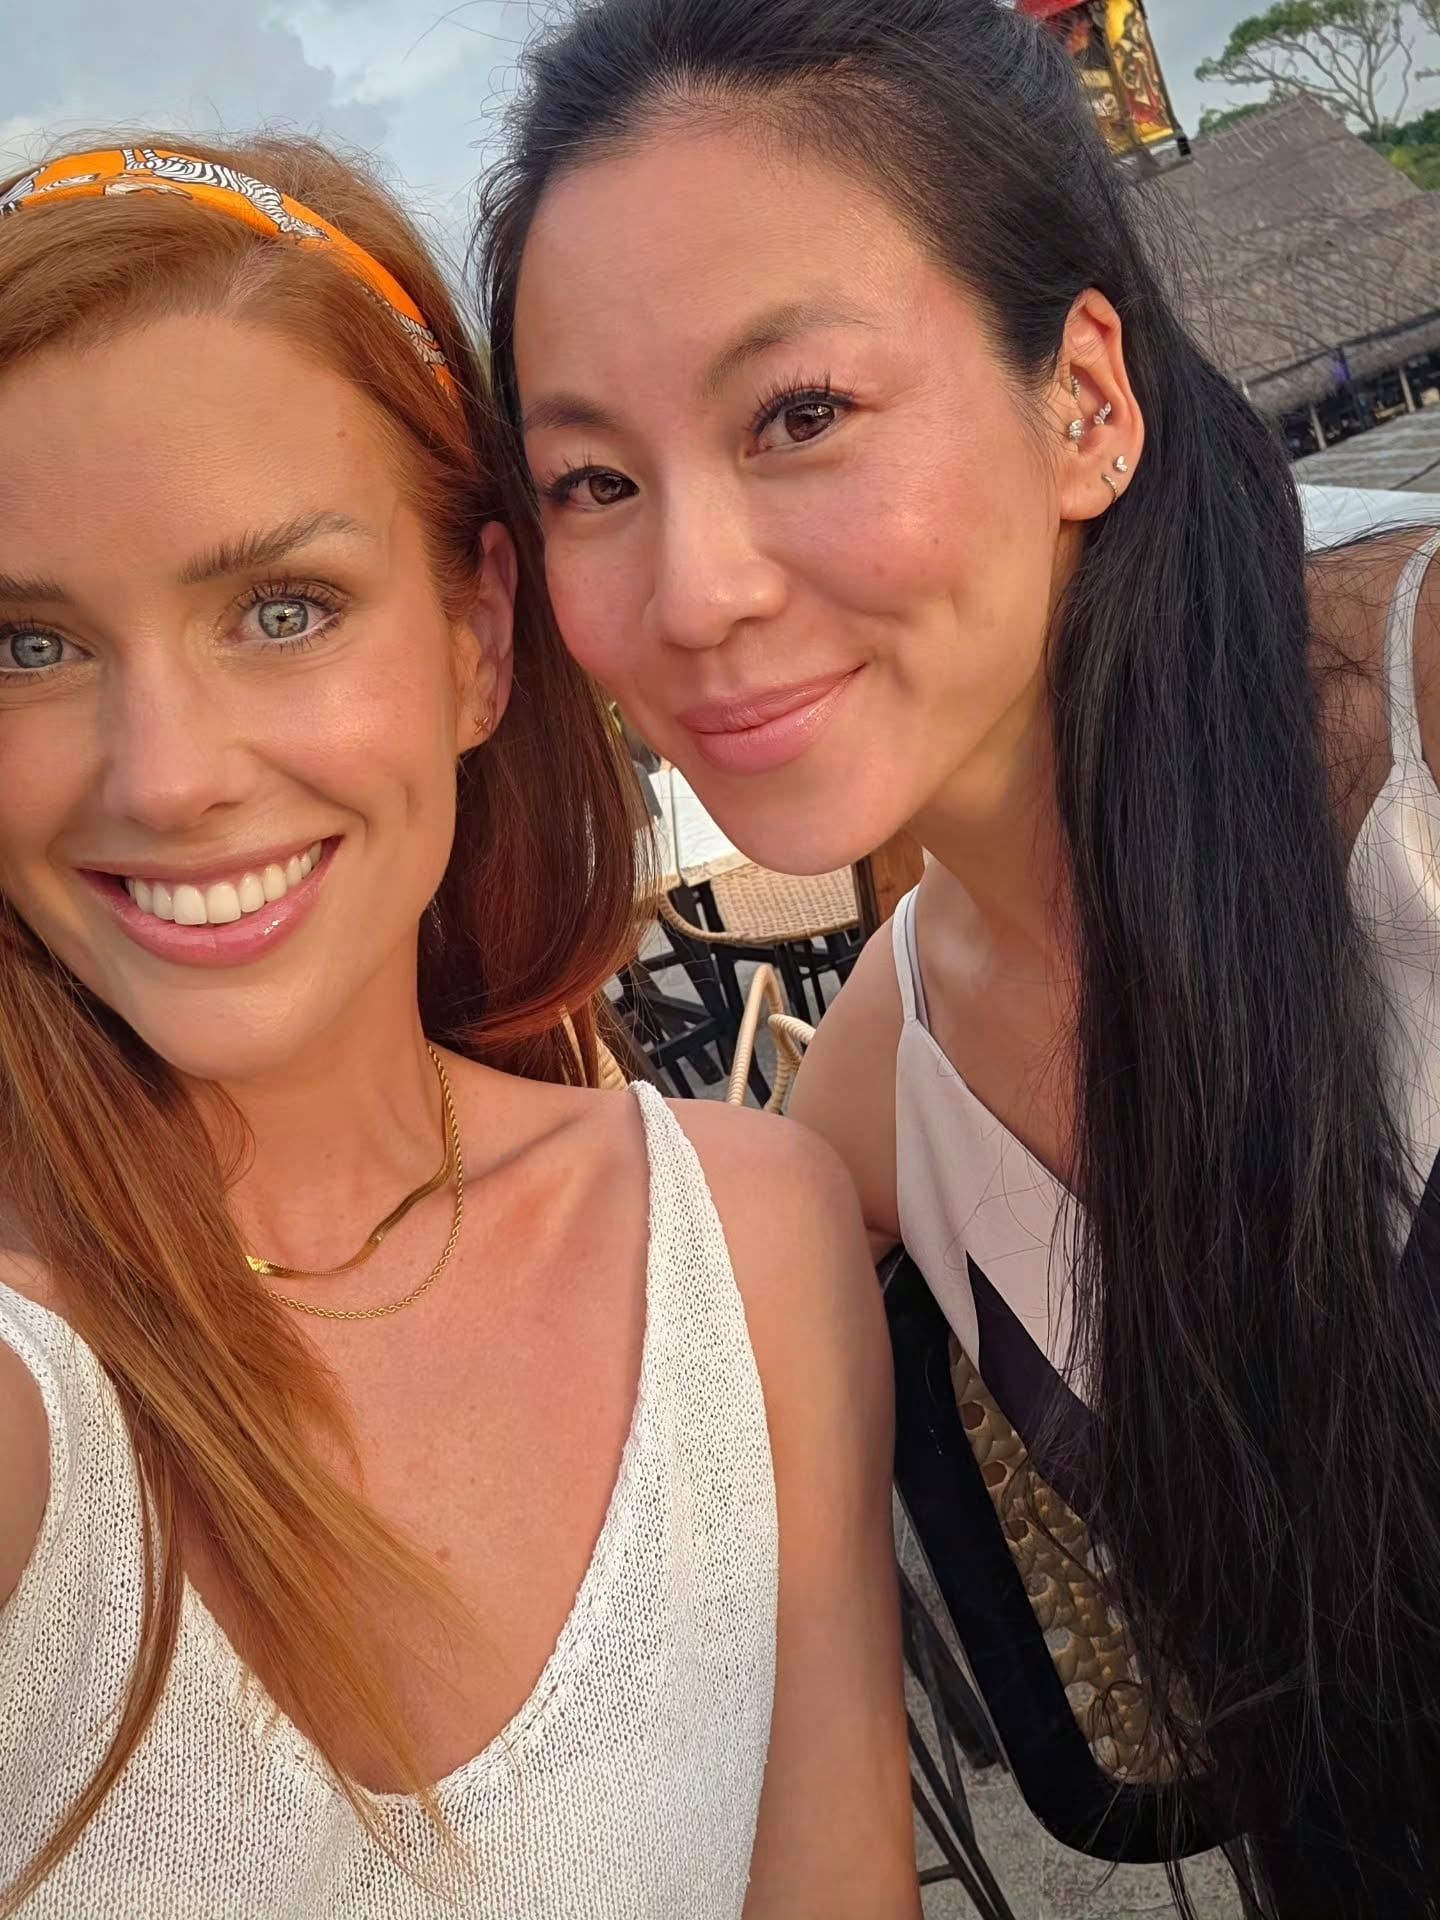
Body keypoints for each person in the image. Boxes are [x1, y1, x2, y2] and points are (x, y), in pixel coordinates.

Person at [477, 0, 1440, 1911]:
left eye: (801, 414)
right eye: (593, 481)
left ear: (1083, 398)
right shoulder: (877, 1090)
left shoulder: (1416, 723)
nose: (692, 591)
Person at [0, 137, 919, 1919]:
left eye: (282, 610)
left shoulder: (745, 1241)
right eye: (27, 648)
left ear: (480, 638)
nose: (166, 776)